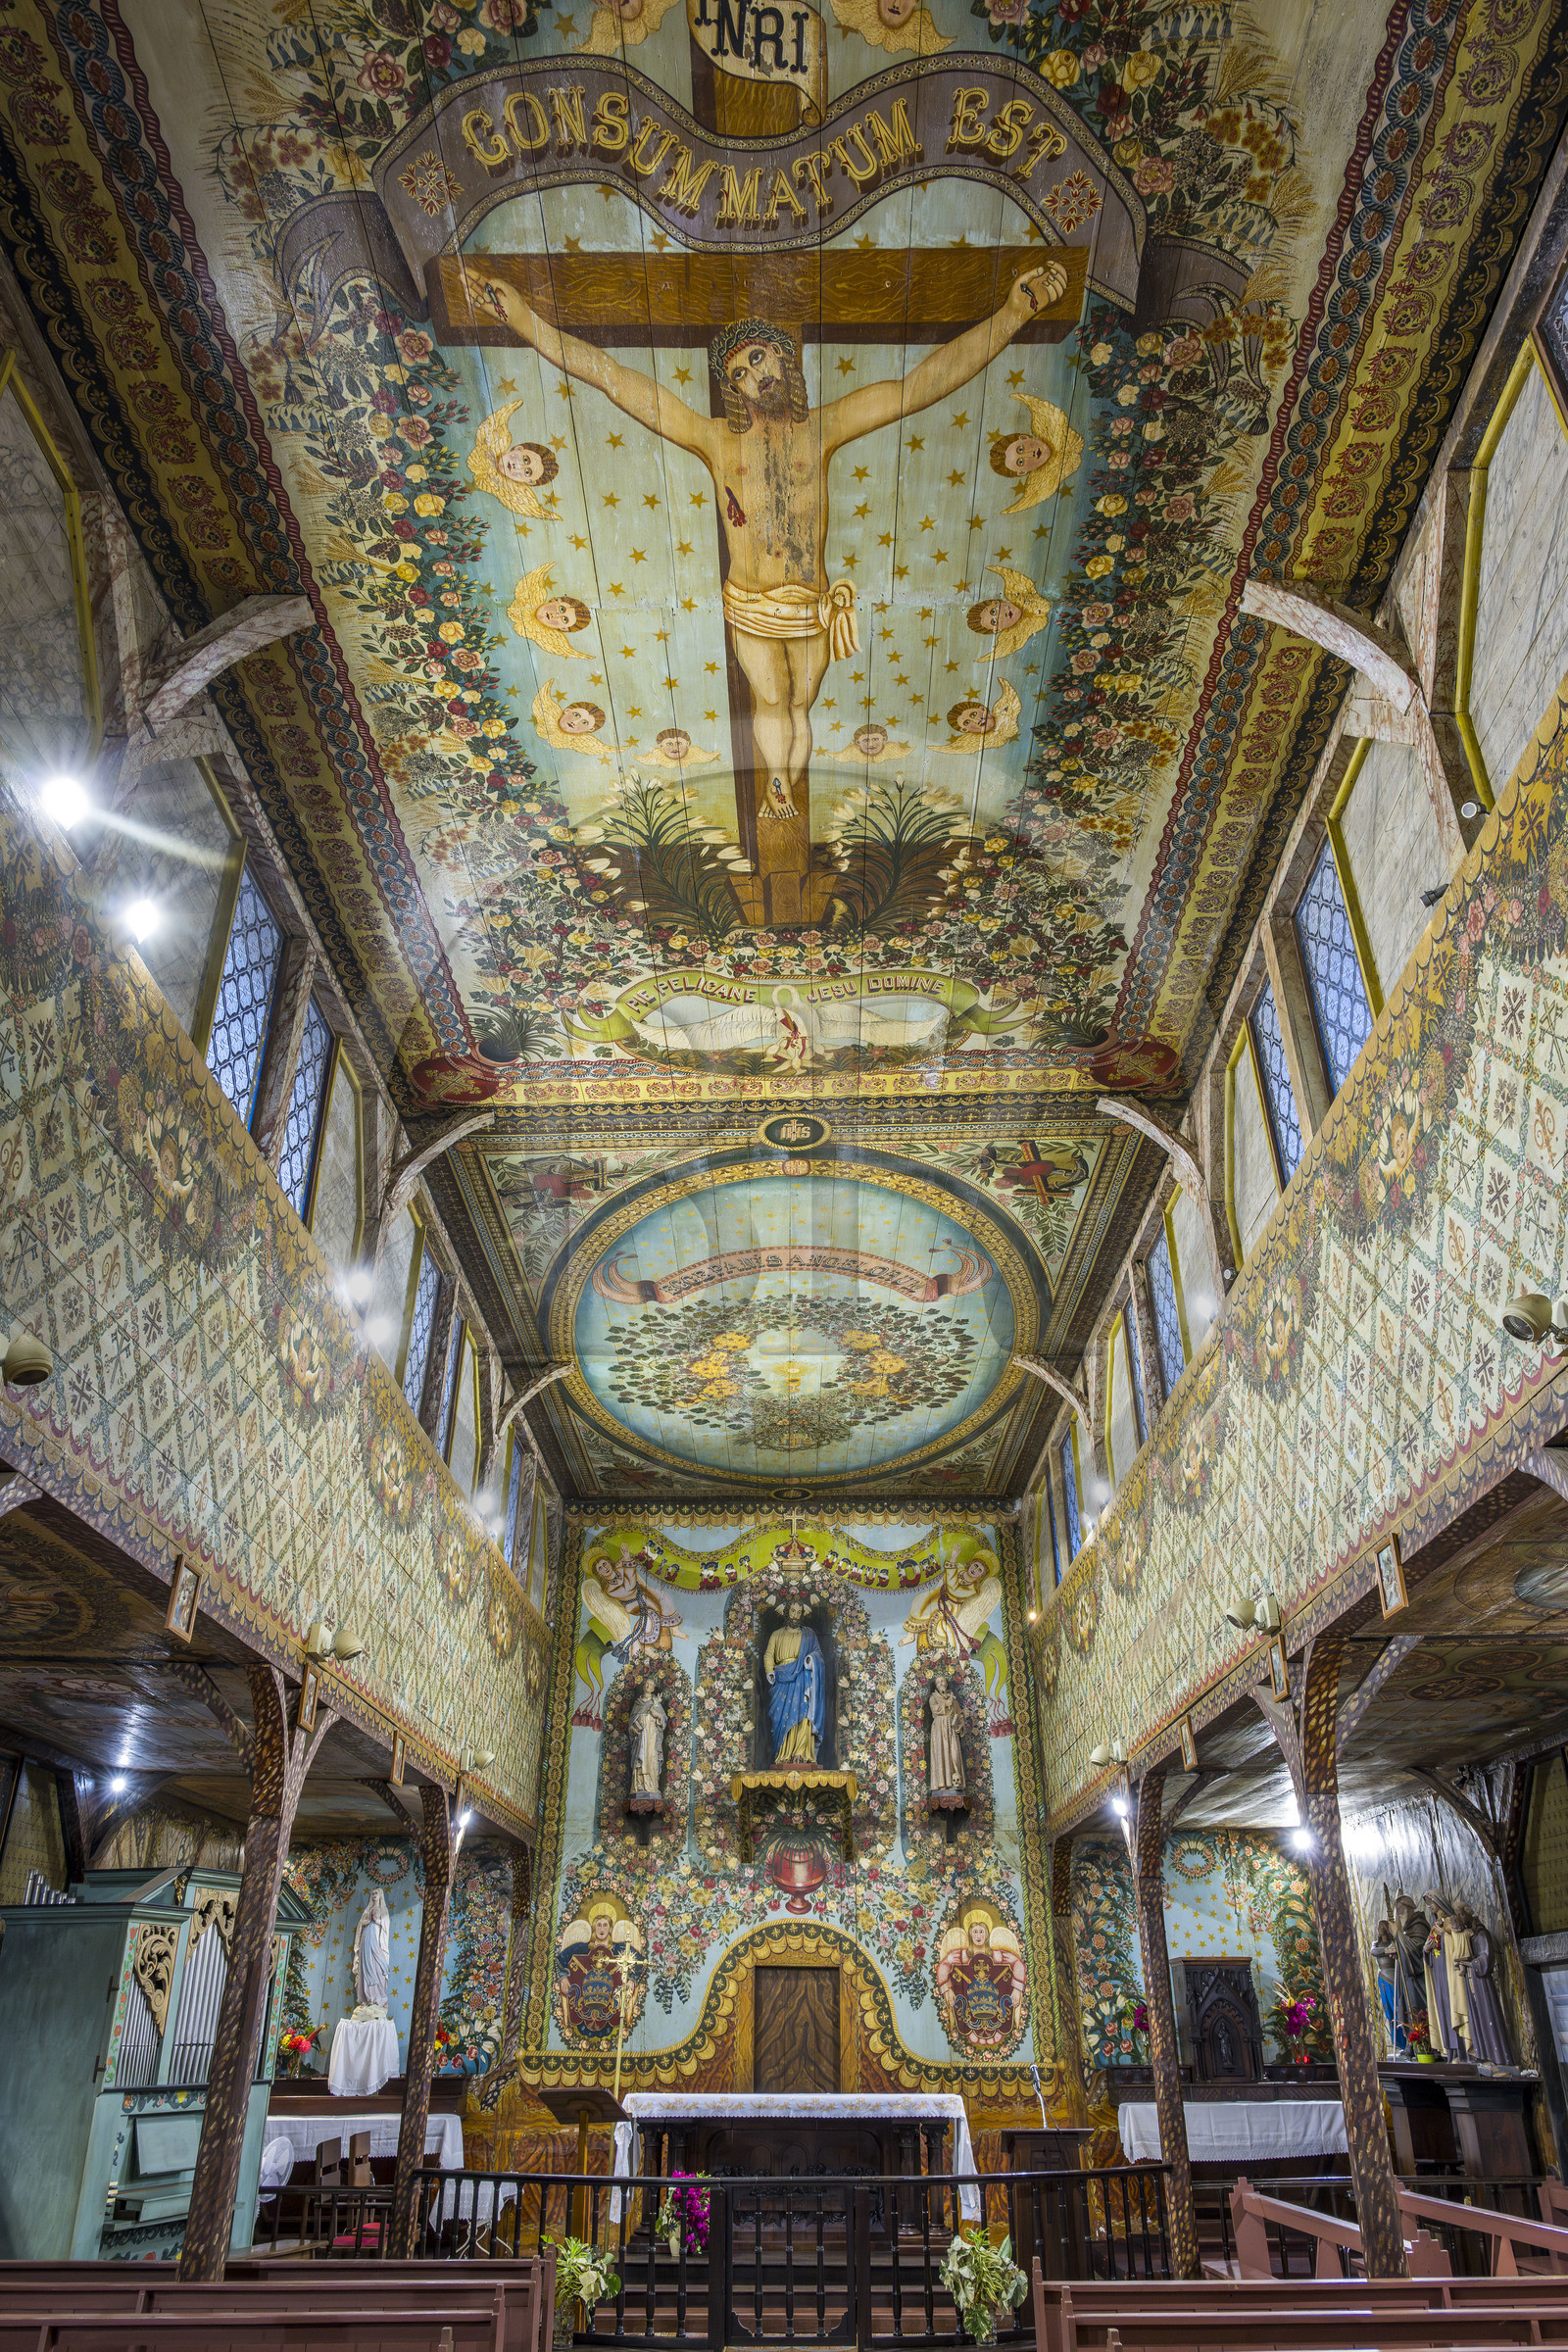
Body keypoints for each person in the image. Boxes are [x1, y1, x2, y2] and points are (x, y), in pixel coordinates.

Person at [482, 266, 1066, 826]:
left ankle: (792, 775)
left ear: (783, 357)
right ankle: (778, 783)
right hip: (751, 602)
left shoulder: (824, 427)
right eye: (738, 373)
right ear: (732, 389)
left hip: (811, 604)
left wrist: (1013, 314)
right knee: (769, 699)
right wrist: (528, 323)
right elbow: (616, 380)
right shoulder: (714, 438)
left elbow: (918, 387)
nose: (753, 375)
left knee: (800, 703)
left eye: (758, 358)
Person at [763, 1597, 826, 1765]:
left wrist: (811, 1660)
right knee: (782, 1718)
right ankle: (784, 1753)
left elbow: (818, 1654)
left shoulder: (809, 1634)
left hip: (802, 1678)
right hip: (781, 1680)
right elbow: (769, 1655)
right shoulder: (776, 1634)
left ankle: (801, 1752)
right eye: (793, 1611)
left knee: (804, 1713)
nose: (795, 1615)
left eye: (799, 1612)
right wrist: (770, 1671)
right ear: (787, 1612)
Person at [1453, 1901, 1512, 2065]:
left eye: (1461, 1914)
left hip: (1482, 1983)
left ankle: (1499, 2059)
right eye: (1457, 1915)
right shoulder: (1468, 1935)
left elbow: (1486, 1959)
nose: (1459, 1918)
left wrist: (1469, 1963)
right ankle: (1484, 2055)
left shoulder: (1481, 1933)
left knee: (1489, 2016)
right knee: (1478, 2019)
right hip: (1472, 1981)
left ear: (1469, 1913)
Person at [927, 1669, 966, 1798]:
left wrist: (958, 1726)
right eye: (938, 1682)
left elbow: (960, 1715)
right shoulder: (933, 1698)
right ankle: (943, 1783)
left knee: (954, 1754)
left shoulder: (953, 1699)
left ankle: (956, 1780)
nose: (941, 1684)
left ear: (946, 1683)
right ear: (936, 1686)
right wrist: (946, 1704)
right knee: (941, 1754)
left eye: (942, 1681)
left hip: (951, 1729)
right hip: (939, 1728)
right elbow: (935, 1710)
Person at [352, 1887, 390, 2016]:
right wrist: (366, 1921)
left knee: (378, 1966)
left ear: (380, 1895)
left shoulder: (383, 1910)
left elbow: (386, 1926)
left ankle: (378, 1998)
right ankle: (366, 1998)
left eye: (376, 1893)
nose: (374, 1895)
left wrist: (377, 1921)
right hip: (366, 1939)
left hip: (376, 1940)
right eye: (373, 1893)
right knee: (365, 1965)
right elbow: (360, 1924)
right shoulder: (367, 1910)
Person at [629, 1678, 666, 1799]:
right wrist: (633, 1728)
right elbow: (631, 1722)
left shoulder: (656, 1702)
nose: (647, 1686)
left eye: (650, 1685)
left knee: (651, 1757)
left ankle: (651, 1785)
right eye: (646, 1684)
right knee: (640, 1758)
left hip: (652, 1736)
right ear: (643, 1686)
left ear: (653, 1688)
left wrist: (658, 1715)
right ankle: (639, 1784)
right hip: (640, 1736)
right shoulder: (638, 1703)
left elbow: (664, 1720)